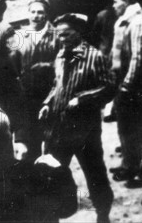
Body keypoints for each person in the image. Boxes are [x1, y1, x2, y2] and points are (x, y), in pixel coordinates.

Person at [39, 13, 115, 223]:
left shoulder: (94, 56)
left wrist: (81, 100)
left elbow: (108, 87)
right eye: (59, 35)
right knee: (52, 172)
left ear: (78, 33)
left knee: (95, 174)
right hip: (59, 127)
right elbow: (57, 85)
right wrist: (47, 103)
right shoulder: (61, 55)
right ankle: (53, 215)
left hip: (85, 130)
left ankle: (103, 214)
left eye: (66, 34)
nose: (61, 38)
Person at [109, 0, 142, 184]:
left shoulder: (138, 22)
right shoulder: (124, 20)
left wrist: (126, 85)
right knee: (125, 126)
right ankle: (129, 165)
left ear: (127, 2)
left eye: (116, 2)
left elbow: (138, 58)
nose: (113, 6)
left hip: (138, 87)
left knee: (139, 130)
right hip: (126, 83)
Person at [12, 0, 60, 162]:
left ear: (46, 14)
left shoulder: (57, 35)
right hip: (28, 93)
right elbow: (14, 64)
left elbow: (66, 61)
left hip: (51, 92)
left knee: (51, 136)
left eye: (40, 12)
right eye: (33, 12)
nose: (36, 16)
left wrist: (47, 65)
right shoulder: (20, 35)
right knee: (31, 135)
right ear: (28, 14)